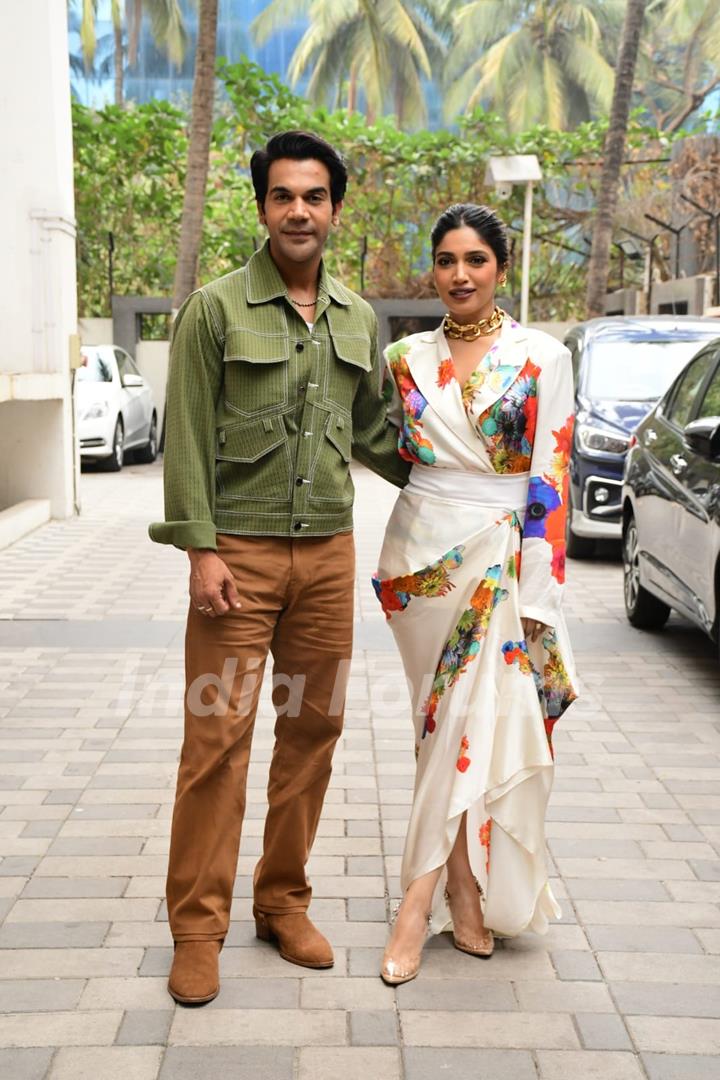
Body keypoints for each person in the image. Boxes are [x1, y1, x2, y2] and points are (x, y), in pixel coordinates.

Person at [149, 130, 410, 1005]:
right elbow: (183, 435)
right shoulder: (215, 309)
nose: (299, 210)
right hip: (241, 563)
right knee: (216, 738)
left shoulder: (358, 318)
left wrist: (472, 477)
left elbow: (374, 430)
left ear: (335, 209)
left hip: (328, 563)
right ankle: (197, 926)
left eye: (315, 196)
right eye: (283, 196)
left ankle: (282, 901)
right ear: (262, 207)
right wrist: (201, 550)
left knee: (312, 733)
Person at [372, 203, 577, 985]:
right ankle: (461, 886)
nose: (460, 274)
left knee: (463, 721)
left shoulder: (541, 357)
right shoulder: (404, 357)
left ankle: (415, 908)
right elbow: (389, 448)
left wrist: (538, 585)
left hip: (500, 556)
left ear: (500, 266)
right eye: (447, 259)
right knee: (443, 728)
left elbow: (548, 477)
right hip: (417, 563)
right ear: (434, 266)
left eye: (476, 260)